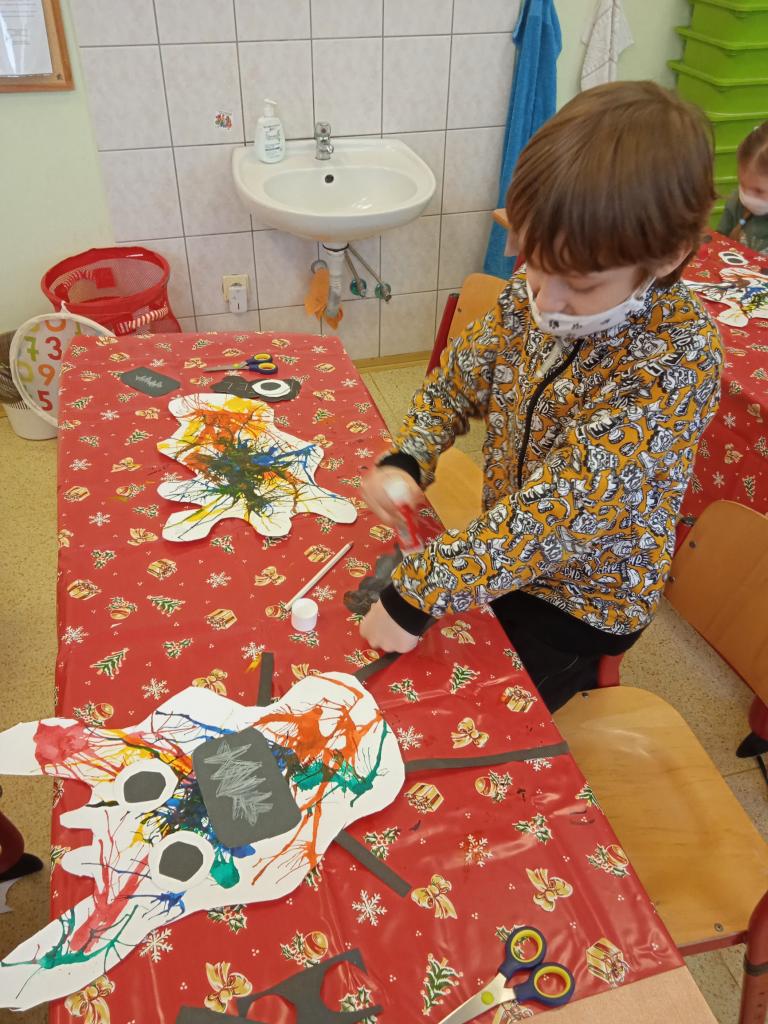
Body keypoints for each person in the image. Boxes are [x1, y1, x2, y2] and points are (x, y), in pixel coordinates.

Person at [357, 80, 723, 713]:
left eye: (578, 284)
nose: (545, 301)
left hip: (581, 602)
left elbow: (559, 515)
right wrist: (410, 457)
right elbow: (457, 381)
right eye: (532, 262)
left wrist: (417, 594)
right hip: (505, 554)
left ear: (666, 257)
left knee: (448, 713)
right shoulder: (534, 292)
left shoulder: (676, 362)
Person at [718, 121, 768, 254]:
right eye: (742, 184)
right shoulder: (736, 203)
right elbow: (717, 244)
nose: (747, 196)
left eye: (758, 191)